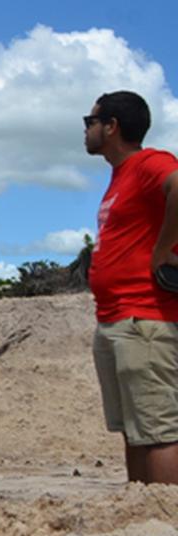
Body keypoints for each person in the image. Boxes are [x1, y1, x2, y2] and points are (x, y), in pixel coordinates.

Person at [85, 90, 178, 484]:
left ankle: (168, 514)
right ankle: (142, 509)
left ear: (112, 126)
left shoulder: (149, 163)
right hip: (117, 319)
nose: (86, 130)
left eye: (90, 121)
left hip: (144, 318)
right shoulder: (121, 175)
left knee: (158, 432)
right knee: (135, 431)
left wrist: (163, 249)